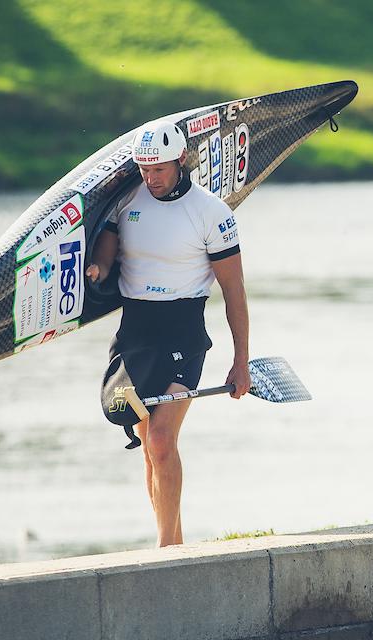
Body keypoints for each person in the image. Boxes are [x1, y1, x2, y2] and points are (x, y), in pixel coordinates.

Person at [85, 120, 251, 547]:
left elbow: (233, 291)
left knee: (161, 437)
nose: (151, 178)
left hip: (183, 333)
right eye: (144, 169)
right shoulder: (129, 199)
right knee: (145, 441)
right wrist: (98, 269)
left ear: (181, 160)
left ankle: (166, 550)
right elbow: (108, 240)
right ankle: (173, 541)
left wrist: (240, 361)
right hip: (135, 331)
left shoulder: (211, 212)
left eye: (158, 169)